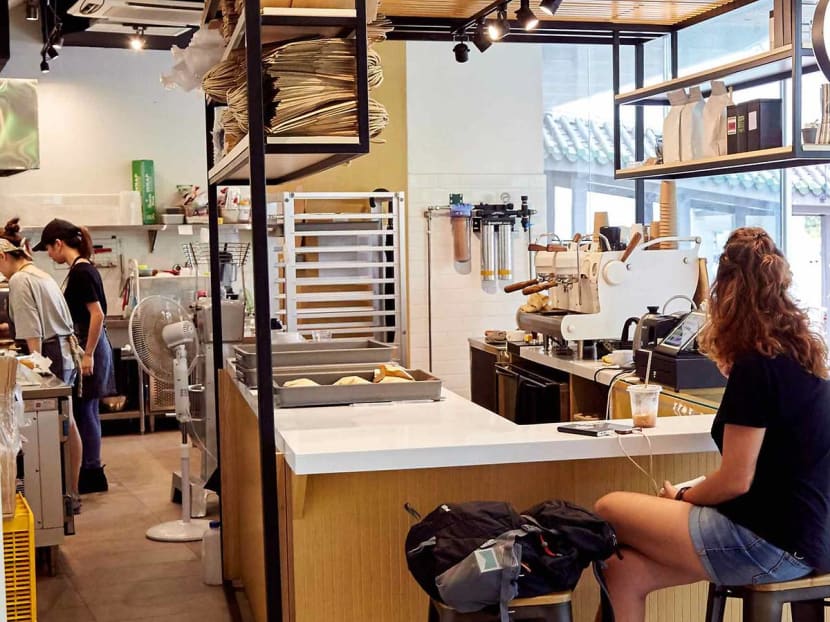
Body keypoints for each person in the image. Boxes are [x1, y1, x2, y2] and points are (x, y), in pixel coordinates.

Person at [594, 227, 830, 622]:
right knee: (623, 571)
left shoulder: (757, 366)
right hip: (811, 537)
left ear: (726, 293)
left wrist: (684, 499)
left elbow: (736, 481)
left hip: (771, 542)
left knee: (607, 507)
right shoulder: (800, 355)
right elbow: (770, 467)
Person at [0, 218, 84, 512]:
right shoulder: (40, 273)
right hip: (63, 349)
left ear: (3, 256)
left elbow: (33, 334)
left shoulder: (21, 280)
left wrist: (33, 369)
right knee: (67, 422)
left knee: (56, 425)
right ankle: (70, 492)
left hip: (51, 353)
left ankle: (61, 496)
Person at [33, 219, 116, 495]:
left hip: (89, 345)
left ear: (58, 244)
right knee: (86, 410)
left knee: (84, 410)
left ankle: (92, 472)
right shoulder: (81, 269)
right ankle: (91, 470)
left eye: (48, 249)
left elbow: (97, 314)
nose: (49, 255)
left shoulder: (82, 272)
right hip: (87, 344)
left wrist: (88, 354)